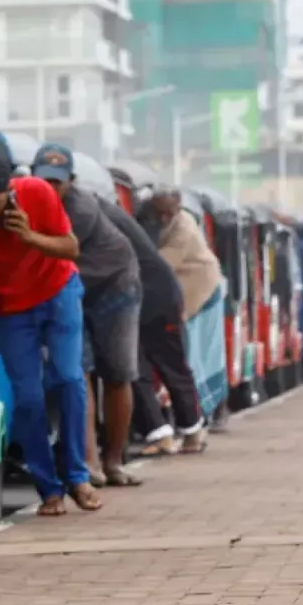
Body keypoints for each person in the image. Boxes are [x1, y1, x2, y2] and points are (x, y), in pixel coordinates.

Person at [0, 153, 102, 516]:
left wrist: (29, 236)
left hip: (57, 292)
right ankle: (49, 488)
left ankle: (78, 476)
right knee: (28, 397)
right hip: (8, 309)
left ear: (9, 191)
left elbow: (70, 247)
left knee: (68, 377)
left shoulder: (38, 192)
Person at [31, 145, 140, 488]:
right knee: (79, 374)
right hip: (71, 290)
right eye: (42, 181)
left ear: (71, 182)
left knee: (118, 374)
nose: (50, 189)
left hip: (114, 288)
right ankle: (89, 463)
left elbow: (45, 257)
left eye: (57, 183)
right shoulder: (24, 201)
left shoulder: (78, 210)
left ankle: (113, 461)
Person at [100, 194, 205, 462]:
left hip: (154, 298)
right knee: (144, 367)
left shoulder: (98, 216)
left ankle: (180, 431)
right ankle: (171, 432)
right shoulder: (113, 213)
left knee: (160, 365)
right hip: (149, 294)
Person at [143, 186, 226, 447]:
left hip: (200, 290)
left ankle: (203, 416)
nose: (165, 217)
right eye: (161, 212)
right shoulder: (171, 219)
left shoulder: (183, 230)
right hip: (184, 289)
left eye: (169, 211)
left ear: (178, 206)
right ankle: (196, 422)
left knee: (194, 358)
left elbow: (157, 265)